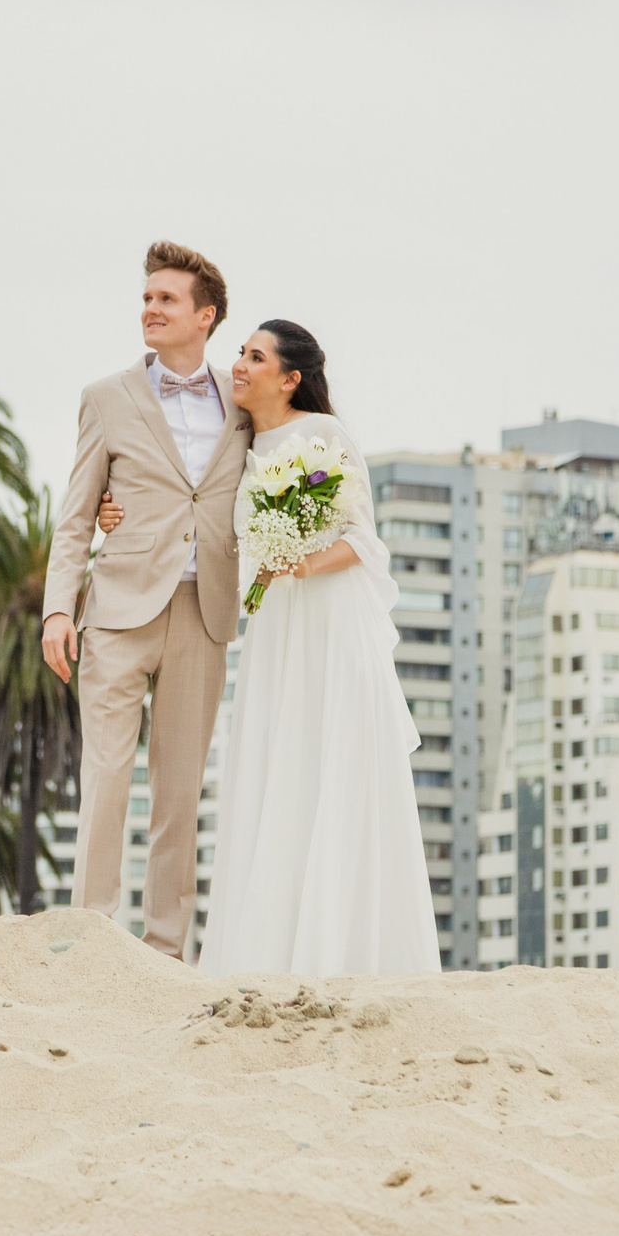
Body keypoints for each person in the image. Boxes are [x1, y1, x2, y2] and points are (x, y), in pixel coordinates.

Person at [171, 319, 440, 977]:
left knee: (329, 767)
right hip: (274, 631)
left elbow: (362, 542)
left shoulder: (324, 436)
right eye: (240, 352)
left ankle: (337, 952)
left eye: (255, 356)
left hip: (327, 623)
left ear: (290, 377)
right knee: (275, 768)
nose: (239, 363)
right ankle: (265, 951)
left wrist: (295, 561)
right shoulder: (236, 442)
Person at [40, 240, 250, 959]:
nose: (149, 309)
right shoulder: (106, 396)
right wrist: (58, 608)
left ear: (205, 315)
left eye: (166, 299)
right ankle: (92, 932)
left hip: (205, 611)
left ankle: (165, 950)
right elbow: (75, 513)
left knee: (180, 792)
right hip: (119, 610)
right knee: (105, 773)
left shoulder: (244, 403)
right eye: (146, 298)